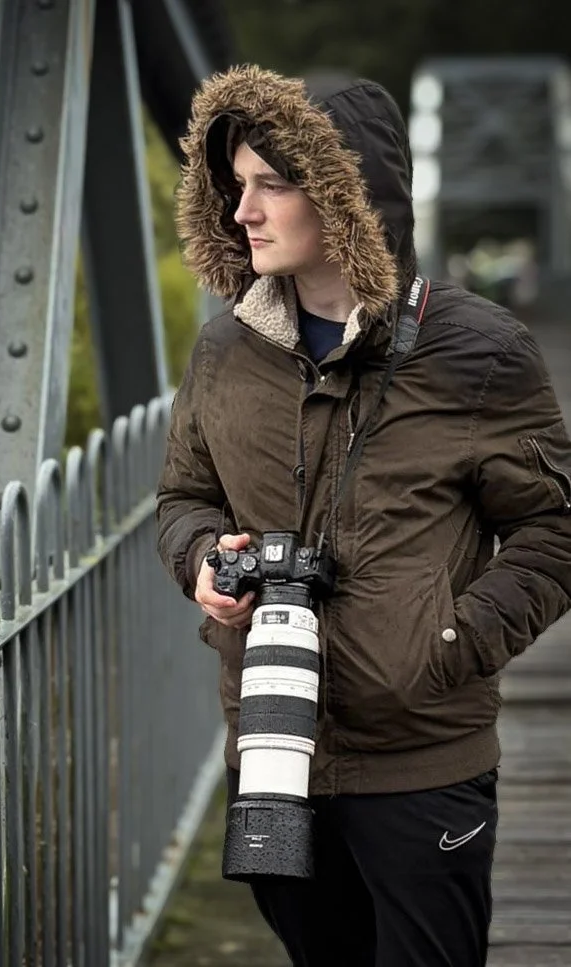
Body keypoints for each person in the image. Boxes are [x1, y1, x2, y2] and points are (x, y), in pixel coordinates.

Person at [155, 63, 571, 967]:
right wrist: (198, 556)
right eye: (235, 186)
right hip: (268, 750)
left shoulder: (480, 353)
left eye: (272, 184)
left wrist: (452, 644)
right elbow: (183, 495)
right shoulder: (227, 348)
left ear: (345, 196)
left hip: (421, 759)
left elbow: (554, 528)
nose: (243, 212)